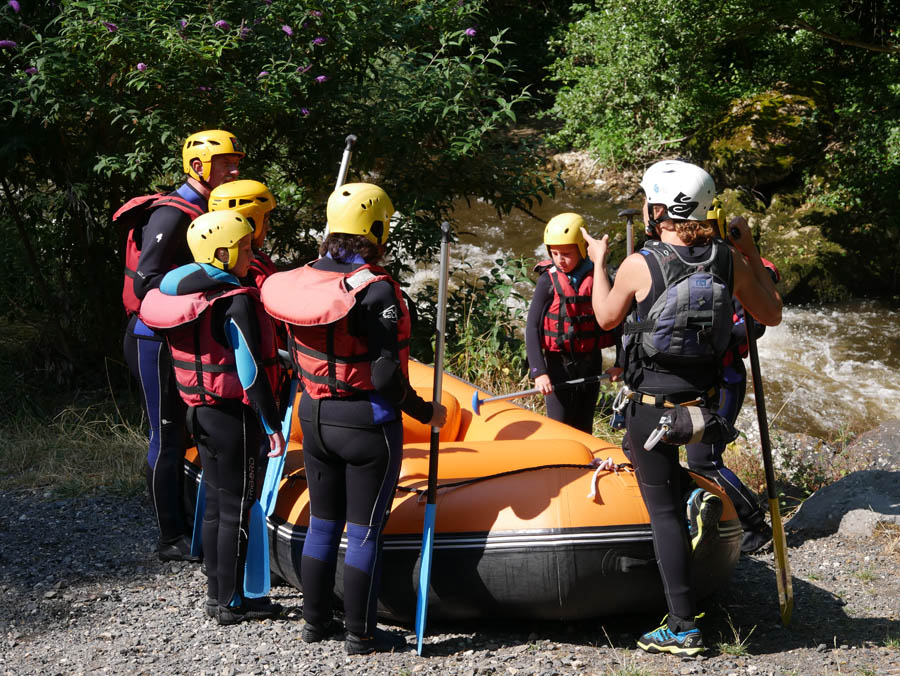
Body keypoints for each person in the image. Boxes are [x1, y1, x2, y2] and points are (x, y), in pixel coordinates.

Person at [582, 159, 782, 657]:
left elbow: (606, 318)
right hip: (706, 408)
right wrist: (748, 248)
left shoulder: (640, 262)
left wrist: (600, 261)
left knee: (663, 516)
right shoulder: (727, 260)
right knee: (679, 487)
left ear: (658, 209)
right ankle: (698, 503)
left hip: (652, 410)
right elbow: (771, 313)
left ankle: (682, 626)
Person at [262, 182, 447, 654]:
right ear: (378, 229)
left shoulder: (307, 277)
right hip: (366, 424)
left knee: (323, 524)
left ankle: (315, 622)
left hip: (314, 415)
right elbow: (385, 377)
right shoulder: (375, 289)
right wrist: (426, 413)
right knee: (364, 530)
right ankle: (361, 635)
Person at [138, 210, 285, 625]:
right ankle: (232, 601)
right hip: (234, 418)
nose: (251, 254)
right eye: (245, 247)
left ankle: (218, 594)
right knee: (237, 506)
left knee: (218, 505)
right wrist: (272, 423)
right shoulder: (234, 299)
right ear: (222, 252)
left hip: (198, 413)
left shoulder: (183, 292)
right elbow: (250, 370)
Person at [119, 129, 243, 562]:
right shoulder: (173, 214)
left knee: (188, 430)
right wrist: (209, 282)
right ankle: (168, 535)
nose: (234, 169)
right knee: (167, 435)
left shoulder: (208, 207)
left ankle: (187, 519)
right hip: (150, 340)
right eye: (226, 162)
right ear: (197, 167)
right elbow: (148, 279)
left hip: (179, 338)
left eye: (235, 162)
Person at [684, 206, 781, 554]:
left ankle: (754, 524)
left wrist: (749, 251)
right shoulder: (686, 263)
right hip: (692, 377)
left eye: (711, 228)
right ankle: (703, 514)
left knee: (704, 459)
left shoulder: (745, 265)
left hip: (725, 378)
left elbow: (765, 316)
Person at [525, 213, 622, 432]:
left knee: (583, 426)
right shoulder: (546, 281)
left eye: (567, 253)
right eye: (555, 253)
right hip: (557, 363)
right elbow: (532, 327)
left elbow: (617, 321)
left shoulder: (598, 276)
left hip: (590, 362)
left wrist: (620, 361)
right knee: (559, 425)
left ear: (581, 247)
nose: (560, 259)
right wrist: (539, 372)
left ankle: (584, 464)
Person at [208, 179, 277, 290]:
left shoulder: (217, 260)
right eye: (265, 221)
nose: (268, 227)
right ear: (250, 223)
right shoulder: (250, 268)